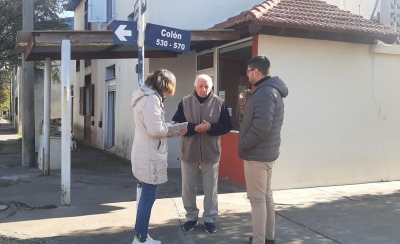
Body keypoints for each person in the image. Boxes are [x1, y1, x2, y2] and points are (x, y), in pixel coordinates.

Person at [172, 74, 232, 234]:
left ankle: (210, 219)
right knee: (188, 188)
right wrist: (194, 128)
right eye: (200, 86)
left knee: (210, 189)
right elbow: (177, 123)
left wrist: (210, 128)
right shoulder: (185, 102)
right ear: (195, 86)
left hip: (210, 154)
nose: (203, 89)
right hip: (188, 152)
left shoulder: (219, 103)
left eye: (207, 86)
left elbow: (227, 126)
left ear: (211, 87)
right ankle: (191, 218)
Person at [131, 69, 185, 244]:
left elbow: (152, 126)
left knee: (146, 196)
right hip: (150, 156)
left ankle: (140, 236)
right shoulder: (152, 99)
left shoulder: (145, 96)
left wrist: (166, 125)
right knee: (148, 197)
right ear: (165, 84)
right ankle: (141, 238)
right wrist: (172, 129)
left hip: (144, 152)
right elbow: (155, 130)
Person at [238, 56, 288, 244]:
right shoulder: (271, 91)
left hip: (257, 155)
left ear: (256, 72)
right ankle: (268, 237)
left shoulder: (265, 93)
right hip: (267, 153)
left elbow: (262, 127)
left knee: (257, 200)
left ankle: (260, 240)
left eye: (248, 71)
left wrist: (244, 145)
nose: (247, 75)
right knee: (266, 195)